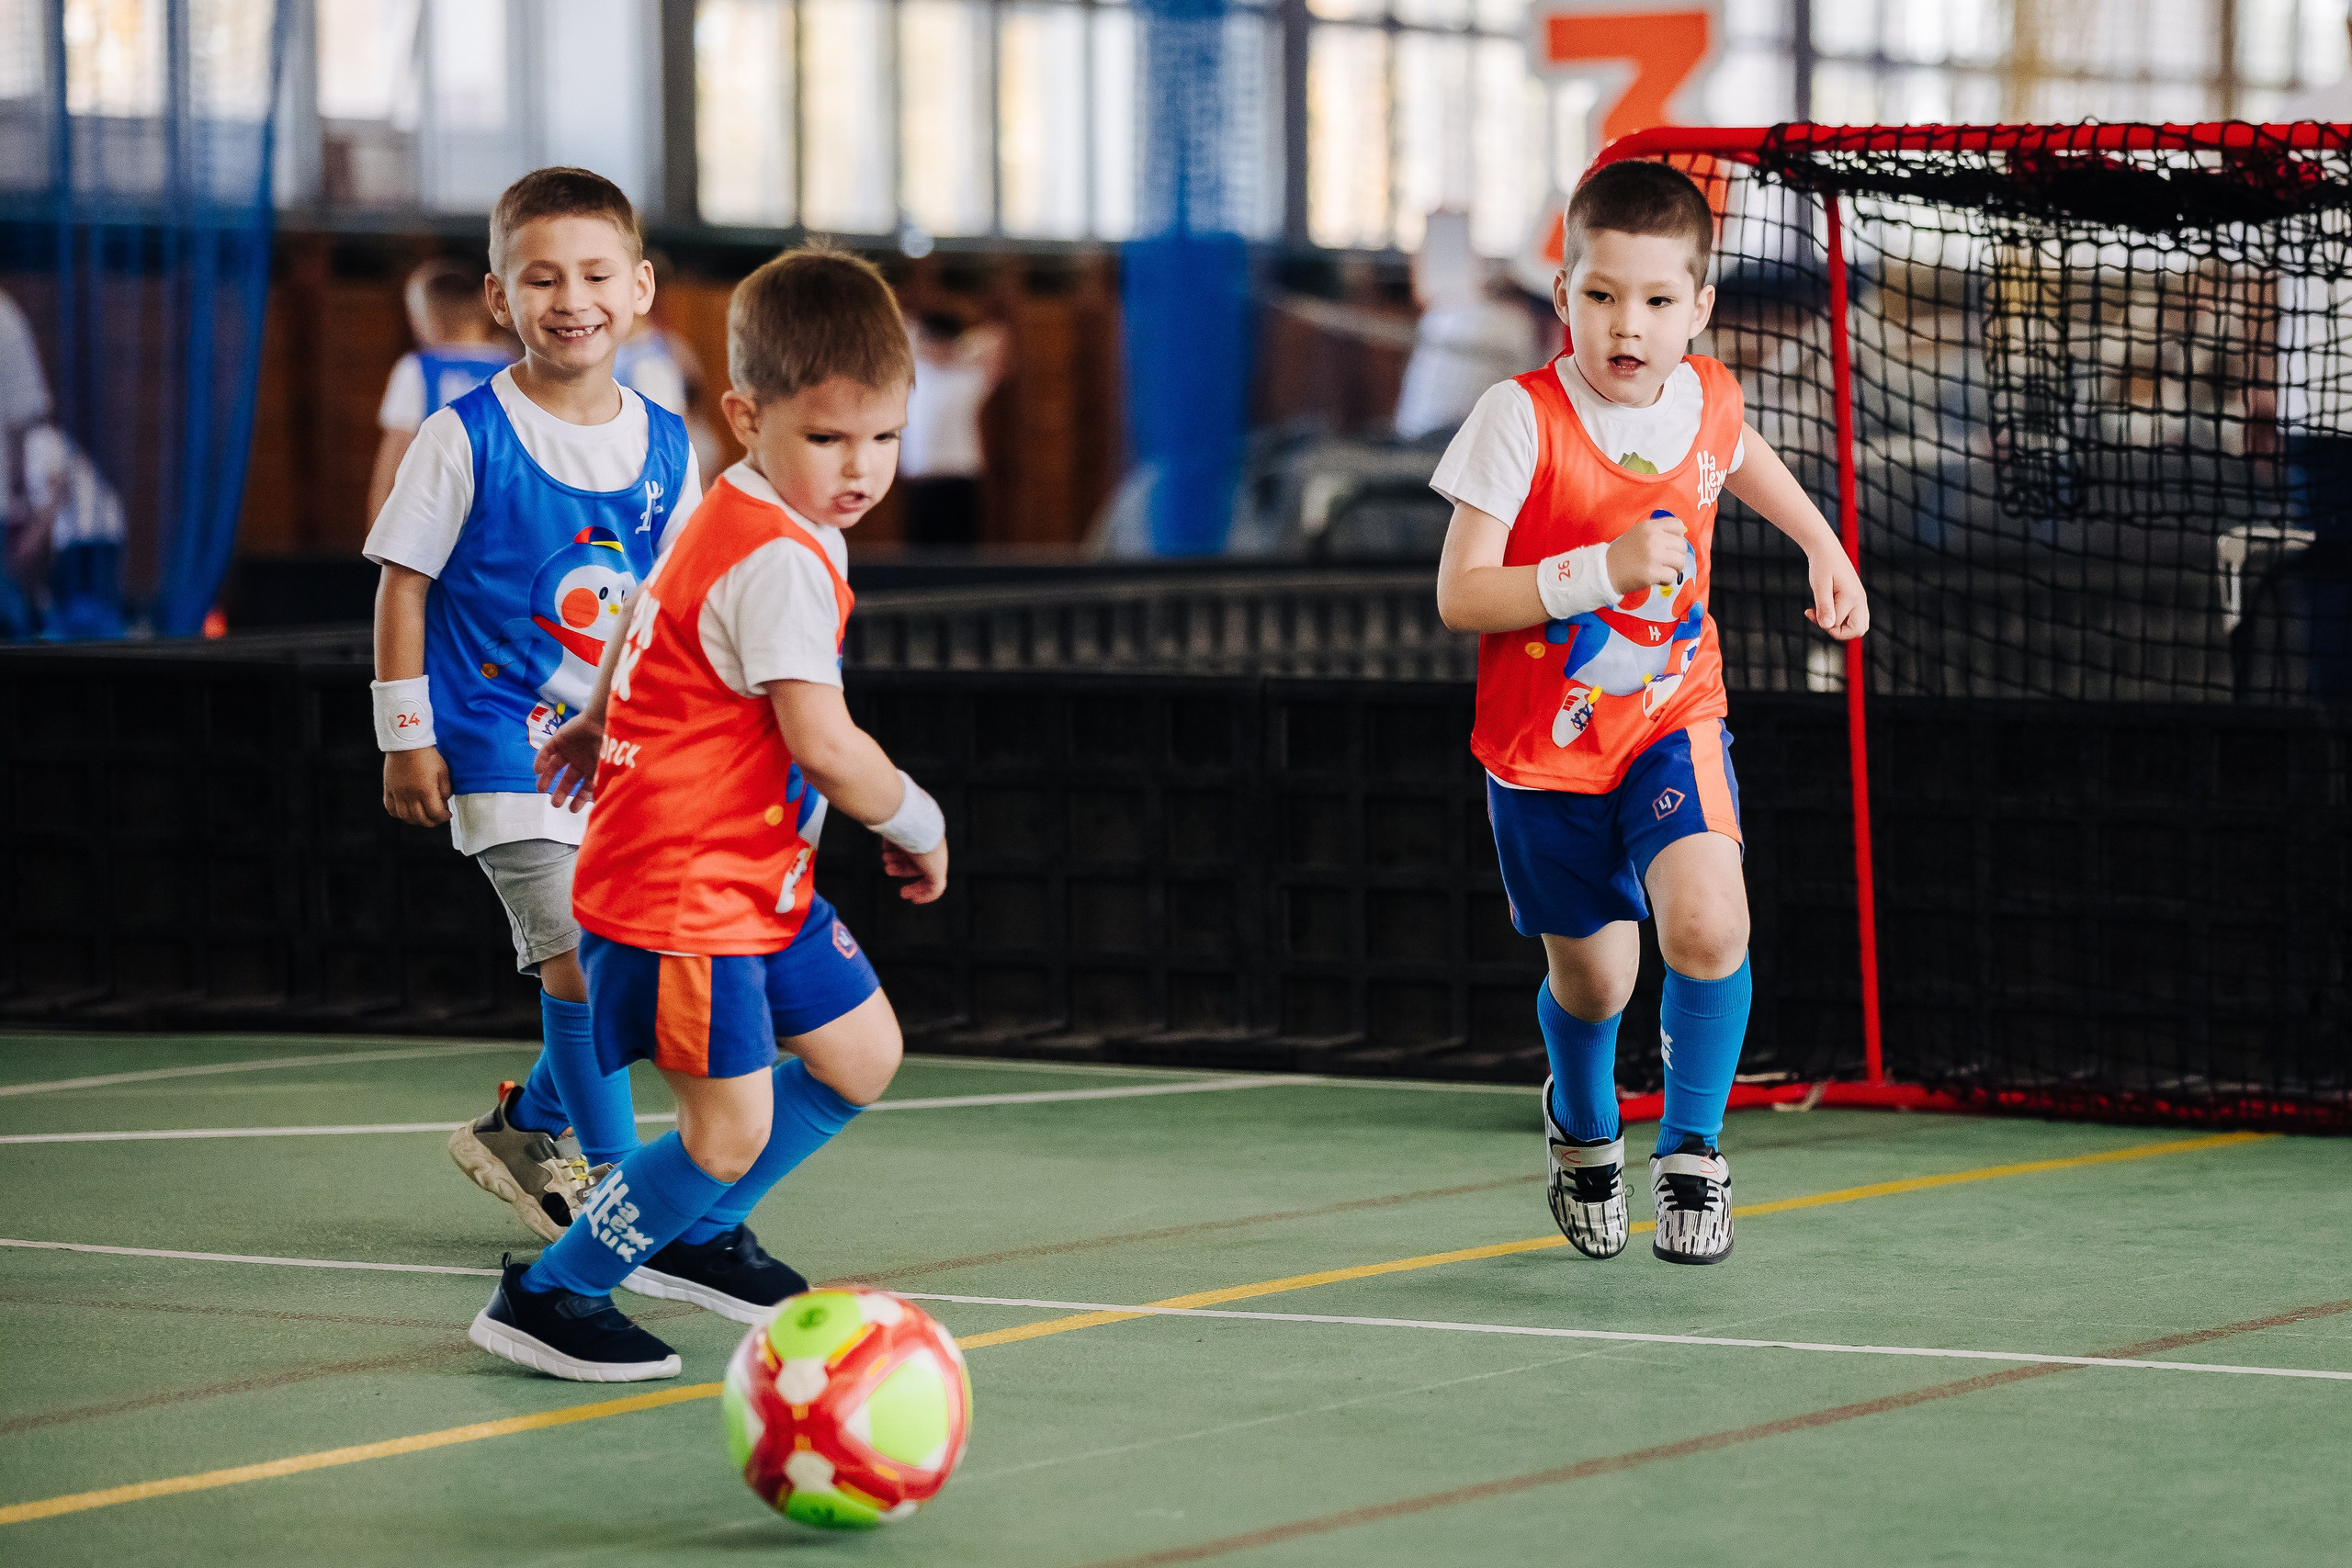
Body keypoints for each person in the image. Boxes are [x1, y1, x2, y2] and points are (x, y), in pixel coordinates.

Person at [469, 245, 946, 1381]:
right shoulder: (777, 557)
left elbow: (648, 600)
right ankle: (552, 1295)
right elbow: (823, 744)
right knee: (722, 1130)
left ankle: (692, 1230)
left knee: (860, 1056)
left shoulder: (737, 505)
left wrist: (597, 715)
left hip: (752, 877)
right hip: (688, 895)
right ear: (745, 416)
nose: (860, 468)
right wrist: (918, 821)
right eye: (826, 438)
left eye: (884, 437)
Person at [1431, 160, 1868, 1266]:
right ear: (1562, 293)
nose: (1628, 324)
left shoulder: (1707, 394)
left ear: (1698, 307)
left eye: (1657, 299)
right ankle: (1583, 1128)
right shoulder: (1517, 418)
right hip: (1545, 752)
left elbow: (1736, 454)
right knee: (1599, 981)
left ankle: (1691, 1152)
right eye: (1601, 295)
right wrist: (1600, 570)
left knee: (1710, 923)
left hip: (1675, 716)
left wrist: (1819, 542)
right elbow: (1460, 596)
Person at [365, 167, 699, 1243]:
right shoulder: (460, 435)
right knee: (581, 965)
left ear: (639, 289)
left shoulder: (669, 443)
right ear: (498, 298)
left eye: (596, 274)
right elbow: (403, 584)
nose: (572, 299)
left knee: (633, 977)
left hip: (620, 757)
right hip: (501, 749)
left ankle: (528, 1125)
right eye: (542, 278)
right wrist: (406, 736)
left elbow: (675, 605)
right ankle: (624, 1201)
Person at [365, 257, 517, 525]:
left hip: (434, 516)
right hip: (501, 517)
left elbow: (395, 455)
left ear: (428, 319)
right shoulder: (516, 367)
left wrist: (377, 530)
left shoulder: (417, 369)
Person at [898, 310, 1006, 546]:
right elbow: (897, 329)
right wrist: (923, 338)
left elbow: (995, 339)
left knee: (959, 550)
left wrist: (955, 347)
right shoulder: (913, 373)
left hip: (958, 475)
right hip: (920, 477)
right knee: (919, 553)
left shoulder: (968, 376)